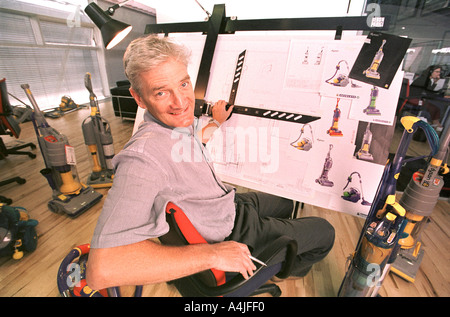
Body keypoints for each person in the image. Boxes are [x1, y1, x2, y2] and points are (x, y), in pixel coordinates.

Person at [86, 35, 335, 291]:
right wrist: (213, 255)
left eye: (183, 84)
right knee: (325, 232)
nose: (181, 102)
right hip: (227, 232)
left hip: (225, 204)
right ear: (138, 98)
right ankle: (285, 269)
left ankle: (278, 253)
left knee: (285, 202)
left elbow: (193, 143)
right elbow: (102, 269)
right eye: (161, 92)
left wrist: (216, 122)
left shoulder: (171, 124)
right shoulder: (142, 159)